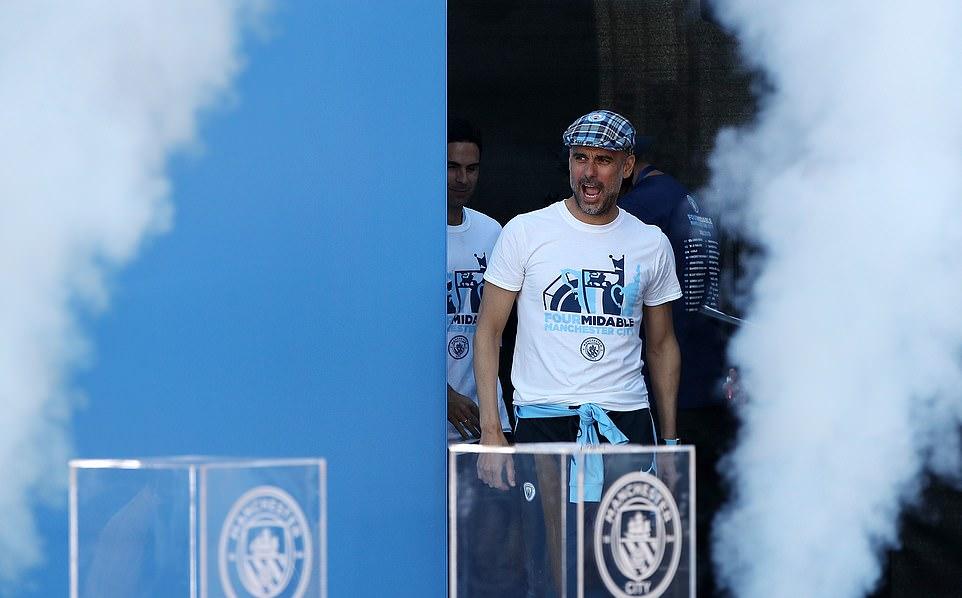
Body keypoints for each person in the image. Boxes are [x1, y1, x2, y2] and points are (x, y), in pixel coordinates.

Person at [618, 140, 734, 597]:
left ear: (629, 166)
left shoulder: (642, 207)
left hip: (667, 388)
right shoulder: (692, 202)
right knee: (702, 513)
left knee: (655, 516)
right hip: (707, 381)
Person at [446, 116, 512, 442]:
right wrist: (443, 394)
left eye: (471, 169)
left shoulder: (492, 232)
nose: (462, 178)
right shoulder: (408, 236)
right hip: (423, 423)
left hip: (486, 419)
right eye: (452, 167)